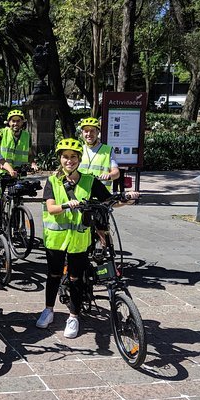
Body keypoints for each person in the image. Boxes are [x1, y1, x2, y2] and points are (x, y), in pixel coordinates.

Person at [36, 138, 138, 338]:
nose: (69, 161)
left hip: (79, 240)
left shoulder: (89, 180)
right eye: (65, 157)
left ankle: (73, 316)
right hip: (56, 239)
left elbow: (108, 200)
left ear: (79, 159)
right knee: (54, 275)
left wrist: (126, 199)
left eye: (73, 157)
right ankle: (48, 310)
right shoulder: (53, 181)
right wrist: (67, 205)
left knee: (76, 278)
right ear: (60, 159)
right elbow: (51, 207)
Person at [78, 117, 120, 192]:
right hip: (82, 193)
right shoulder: (79, 150)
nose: (89, 134)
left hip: (101, 194)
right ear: (82, 133)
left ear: (97, 132)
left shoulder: (108, 150)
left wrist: (109, 175)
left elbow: (116, 172)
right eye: (86, 131)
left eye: (92, 131)